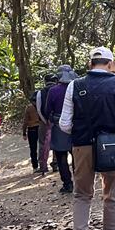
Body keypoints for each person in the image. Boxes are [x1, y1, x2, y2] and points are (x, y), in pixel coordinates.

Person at [59, 47, 115, 230]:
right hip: (110, 148)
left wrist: (80, 132)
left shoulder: (75, 85)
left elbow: (64, 124)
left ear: (90, 64)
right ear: (111, 64)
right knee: (111, 195)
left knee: (82, 194)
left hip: (81, 147)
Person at [47, 65, 77, 193]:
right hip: (76, 125)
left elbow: (47, 110)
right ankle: (80, 182)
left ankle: (67, 183)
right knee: (77, 155)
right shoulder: (77, 87)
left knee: (61, 156)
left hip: (59, 125)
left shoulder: (53, 91)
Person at [36, 73, 58, 175]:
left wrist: (44, 121)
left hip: (44, 122)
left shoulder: (40, 93)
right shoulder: (58, 90)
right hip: (57, 121)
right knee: (57, 142)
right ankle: (55, 163)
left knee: (42, 143)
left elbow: (39, 108)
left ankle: (43, 166)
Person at [23, 94, 41, 171]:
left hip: (32, 129)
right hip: (40, 127)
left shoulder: (29, 108)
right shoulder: (41, 106)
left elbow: (25, 121)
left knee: (33, 149)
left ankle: (35, 166)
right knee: (42, 146)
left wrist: (24, 132)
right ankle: (43, 164)